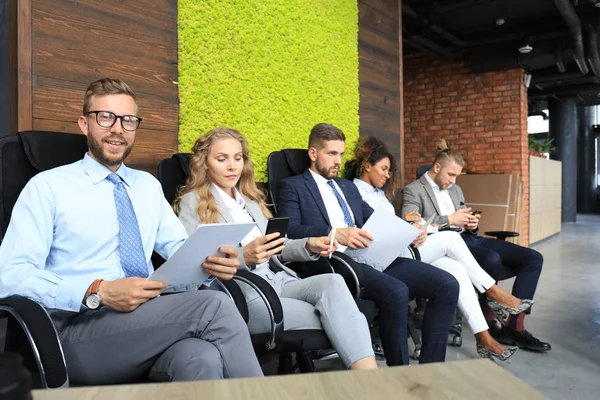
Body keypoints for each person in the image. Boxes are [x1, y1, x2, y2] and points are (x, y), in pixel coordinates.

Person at [0, 79, 264, 385]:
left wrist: (212, 261)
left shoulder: (147, 186)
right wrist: (98, 290)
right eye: (105, 117)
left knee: (199, 355)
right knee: (214, 305)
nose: (117, 128)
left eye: (128, 120)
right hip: (76, 331)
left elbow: (179, 248)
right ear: (84, 124)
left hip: (148, 318)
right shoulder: (47, 187)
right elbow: (9, 274)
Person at [174, 127, 377, 370]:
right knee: (344, 317)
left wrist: (308, 244)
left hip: (279, 280)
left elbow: (275, 247)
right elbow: (192, 264)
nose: (232, 166)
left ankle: (369, 381)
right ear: (205, 163)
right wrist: (243, 257)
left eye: (238, 158)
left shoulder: (249, 199)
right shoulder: (193, 202)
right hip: (246, 292)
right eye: (222, 159)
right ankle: (370, 383)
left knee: (333, 284)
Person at [278, 123, 460, 366]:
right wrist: (335, 233)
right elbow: (291, 231)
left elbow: (373, 218)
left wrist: (409, 230)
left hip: (371, 254)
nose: (338, 161)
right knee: (396, 292)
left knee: (447, 284)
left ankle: (430, 368)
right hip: (336, 260)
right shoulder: (294, 186)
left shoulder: (347, 186)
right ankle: (401, 374)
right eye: (331, 154)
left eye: (341, 154)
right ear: (313, 154)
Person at [348, 136, 527, 361]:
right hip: (386, 254)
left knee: (457, 270)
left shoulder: (379, 194)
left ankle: (483, 336)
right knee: (451, 240)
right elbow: (370, 228)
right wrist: (414, 227)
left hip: (404, 245)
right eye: (384, 169)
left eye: (389, 170)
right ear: (367, 166)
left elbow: (394, 222)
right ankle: (491, 291)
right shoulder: (353, 192)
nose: (388, 175)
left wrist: (413, 228)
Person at [401, 139, 551, 353]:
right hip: (444, 244)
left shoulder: (455, 190)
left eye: (456, 176)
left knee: (534, 258)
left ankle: (513, 325)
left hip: (469, 239)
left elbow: (464, 218)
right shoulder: (413, 191)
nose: (453, 181)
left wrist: (472, 224)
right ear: (437, 167)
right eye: (450, 175)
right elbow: (411, 225)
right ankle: (492, 306)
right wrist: (450, 220)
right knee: (491, 258)